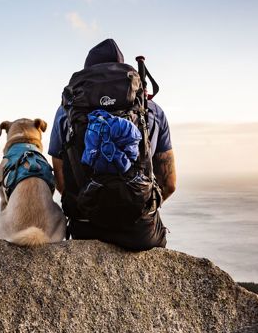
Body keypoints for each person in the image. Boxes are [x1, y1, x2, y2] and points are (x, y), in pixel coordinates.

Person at [48, 38, 176, 250]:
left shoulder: (66, 112)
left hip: (85, 228)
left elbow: (61, 182)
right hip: (140, 232)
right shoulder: (152, 110)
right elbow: (170, 183)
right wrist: (138, 205)